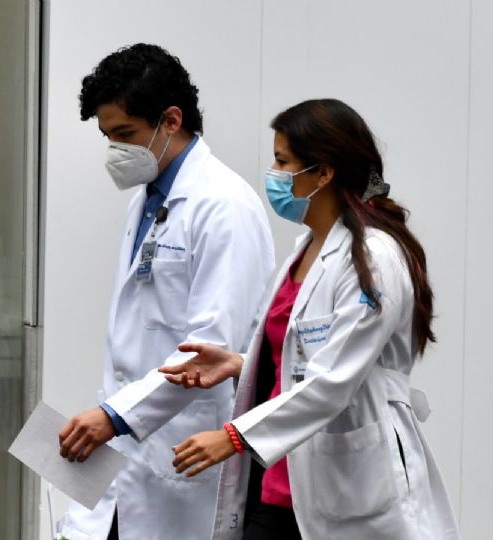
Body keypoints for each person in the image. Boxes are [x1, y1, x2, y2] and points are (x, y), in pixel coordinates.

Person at [161, 98, 460, 539]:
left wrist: (234, 436)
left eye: (283, 162)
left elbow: (333, 379)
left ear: (323, 173)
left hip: (352, 480)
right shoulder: (305, 250)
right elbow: (304, 357)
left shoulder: (373, 259)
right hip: (282, 477)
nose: (274, 174)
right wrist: (243, 365)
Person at [55, 43, 275, 540]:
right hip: (124, 452)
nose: (115, 149)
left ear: (170, 120)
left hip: (182, 452)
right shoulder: (149, 200)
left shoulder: (224, 206)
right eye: (108, 136)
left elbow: (211, 346)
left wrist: (115, 416)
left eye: (125, 134)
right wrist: (113, 415)